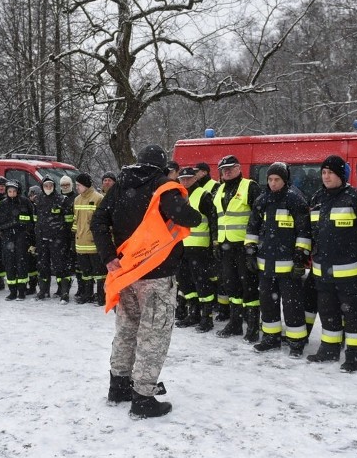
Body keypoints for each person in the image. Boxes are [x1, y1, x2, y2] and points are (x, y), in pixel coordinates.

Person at [92, 144, 201, 418]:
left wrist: (107, 256)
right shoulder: (164, 187)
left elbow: (98, 222)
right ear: (162, 165)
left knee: (126, 330)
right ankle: (142, 396)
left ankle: (118, 386)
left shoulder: (119, 186)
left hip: (125, 272)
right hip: (157, 274)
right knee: (154, 335)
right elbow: (190, 218)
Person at [305, 156, 357, 371]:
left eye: (331, 173)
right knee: (328, 311)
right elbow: (313, 231)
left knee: (352, 313)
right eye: (324, 173)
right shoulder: (317, 198)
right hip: (322, 268)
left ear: (341, 175)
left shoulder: (355, 197)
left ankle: (355, 355)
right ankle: (329, 348)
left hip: (349, 268)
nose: (326, 176)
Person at [246, 162, 312, 357]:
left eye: (277, 179)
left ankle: (296, 342)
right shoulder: (261, 200)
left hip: (288, 265)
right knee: (267, 303)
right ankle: (270, 338)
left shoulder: (295, 200)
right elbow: (252, 228)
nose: (273, 183)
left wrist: (300, 257)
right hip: (265, 263)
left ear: (285, 180)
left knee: (292, 305)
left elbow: (304, 230)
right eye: (270, 179)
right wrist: (250, 251)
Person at [213, 155, 262, 341]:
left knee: (249, 286)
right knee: (231, 285)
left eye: (230, 168)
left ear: (239, 168)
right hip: (226, 247)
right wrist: (216, 242)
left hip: (244, 246)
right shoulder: (219, 190)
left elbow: (258, 219)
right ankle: (235, 323)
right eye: (223, 169)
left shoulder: (249, 186)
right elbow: (217, 219)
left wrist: (253, 246)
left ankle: (252, 326)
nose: (227, 171)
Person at [174, 167, 218, 332]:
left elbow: (213, 219)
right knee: (185, 281)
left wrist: (214, 242)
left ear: (195, 179)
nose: (185, 182)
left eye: (188, 179)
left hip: (200, 247)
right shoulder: (178, 196)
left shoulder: (203, 195)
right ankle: (193, 313)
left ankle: (207, 317)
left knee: (202, 282)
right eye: (182, 179)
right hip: (182, 246)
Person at [0, 179, 36, 301]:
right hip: (7, 239)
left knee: (22, 264)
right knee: (9, 264)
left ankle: (22, 291)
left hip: (22, 238)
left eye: (14, 191)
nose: (12, 193)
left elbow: (32, 221)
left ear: (18, 191)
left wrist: (26, 231)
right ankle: (12, 291)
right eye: (9, 191)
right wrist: (1, 231)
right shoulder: (2, 204)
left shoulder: (25, 203)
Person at [34, 176, 74, 301]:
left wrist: (63, 235)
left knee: (60, 265)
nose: (48, 187)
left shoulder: (61, 199)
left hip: (58, 240)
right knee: (43, 265)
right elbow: (35, 220)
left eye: (50, 185)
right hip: (42, 239)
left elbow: (68, 220)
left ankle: (64, 292)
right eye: (46, 185)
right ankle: (43, 291)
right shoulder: (38, 199)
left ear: (54, 186)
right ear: (42, 187)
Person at [72, 172, 106, 304]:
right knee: (85, 272)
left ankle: (101, 296)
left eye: (79, 185)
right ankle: (87, 295)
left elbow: (102, 220)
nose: (77, 188)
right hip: (80, 242)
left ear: (86, 185)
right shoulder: (77, 199)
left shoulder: (98, 198)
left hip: (94, 242)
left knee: (99, 272)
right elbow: (76, 220)